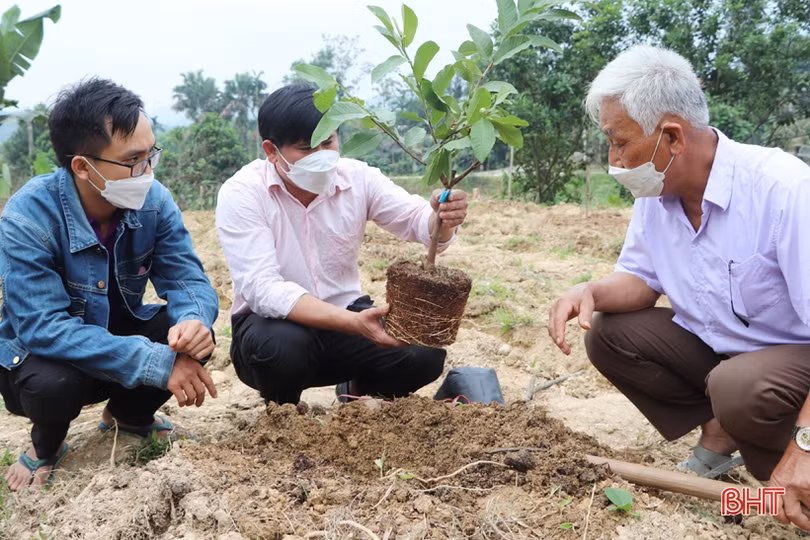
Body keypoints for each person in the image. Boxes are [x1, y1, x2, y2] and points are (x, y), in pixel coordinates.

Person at [547, 45, 810, 530]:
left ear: (671, 136)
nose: (614, 159)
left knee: (737, 387)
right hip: (728, 360)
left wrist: (804, 448)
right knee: (608, 332)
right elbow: (640, 282)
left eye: (619, 142)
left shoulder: (783, 191)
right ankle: (721, 438)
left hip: (791, 369)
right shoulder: (659, 193)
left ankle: (790, 481)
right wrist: (590, 291)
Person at [0, 79, 219, 491]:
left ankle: (129, 417)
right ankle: (46, 446)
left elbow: (187, 278)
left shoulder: (154, 200)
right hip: (47, 358)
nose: (148, 172)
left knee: (192, 340)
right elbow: (42, 328)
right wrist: (156, 361)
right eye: (133, 160)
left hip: (115, 339)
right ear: (83, 166)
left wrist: (193, 321)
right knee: (52, 386)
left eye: (151, 154)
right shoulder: (28, 217)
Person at [216, 84, 468, 406]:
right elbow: (262, 288)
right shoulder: (243, 193)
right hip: (274, 327)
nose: (322, 157)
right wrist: (354, 324)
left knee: (423, 353)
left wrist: (442, 219)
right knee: (283, 348)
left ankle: (359, 399)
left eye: (328, 142)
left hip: (347, 317)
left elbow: (416, 220)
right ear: (271, 150)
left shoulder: (358, 178)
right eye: (306, 149)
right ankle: (283, 412)